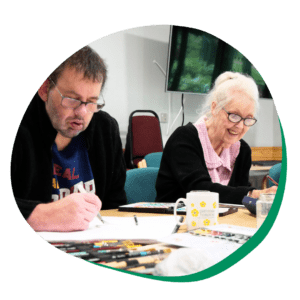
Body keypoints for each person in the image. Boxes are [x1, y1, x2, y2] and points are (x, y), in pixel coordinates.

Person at [11, 46, 127, 232]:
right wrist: (41, 215)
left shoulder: (106, 130)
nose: (81, 113)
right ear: (44, 89)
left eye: (91, 102)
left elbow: (115, 204)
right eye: (72, 99)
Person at [155, 71, 277, 204]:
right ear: (215, 108)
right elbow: (199, 190)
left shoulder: (242, 150)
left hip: (221, 223)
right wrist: (252, 194)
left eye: (248, 119)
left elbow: (240, 198)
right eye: (234, 115)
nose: (240, 126)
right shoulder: (184, 138)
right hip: (174, 219)